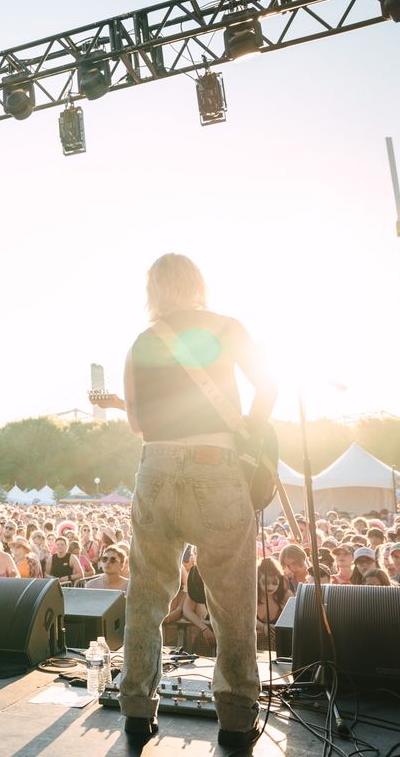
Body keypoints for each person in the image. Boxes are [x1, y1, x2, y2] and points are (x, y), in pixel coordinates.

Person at [118, 254, 277, 747]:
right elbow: (269, 384)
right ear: (197, 285)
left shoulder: (143, 342)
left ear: (155, 291)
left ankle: (138, 710)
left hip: (156, 466)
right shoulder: (228, 327)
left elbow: (137, 425)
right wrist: (250, 428)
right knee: (231, 598)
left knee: (146, 593)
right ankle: (235, 715)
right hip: (217, 462)